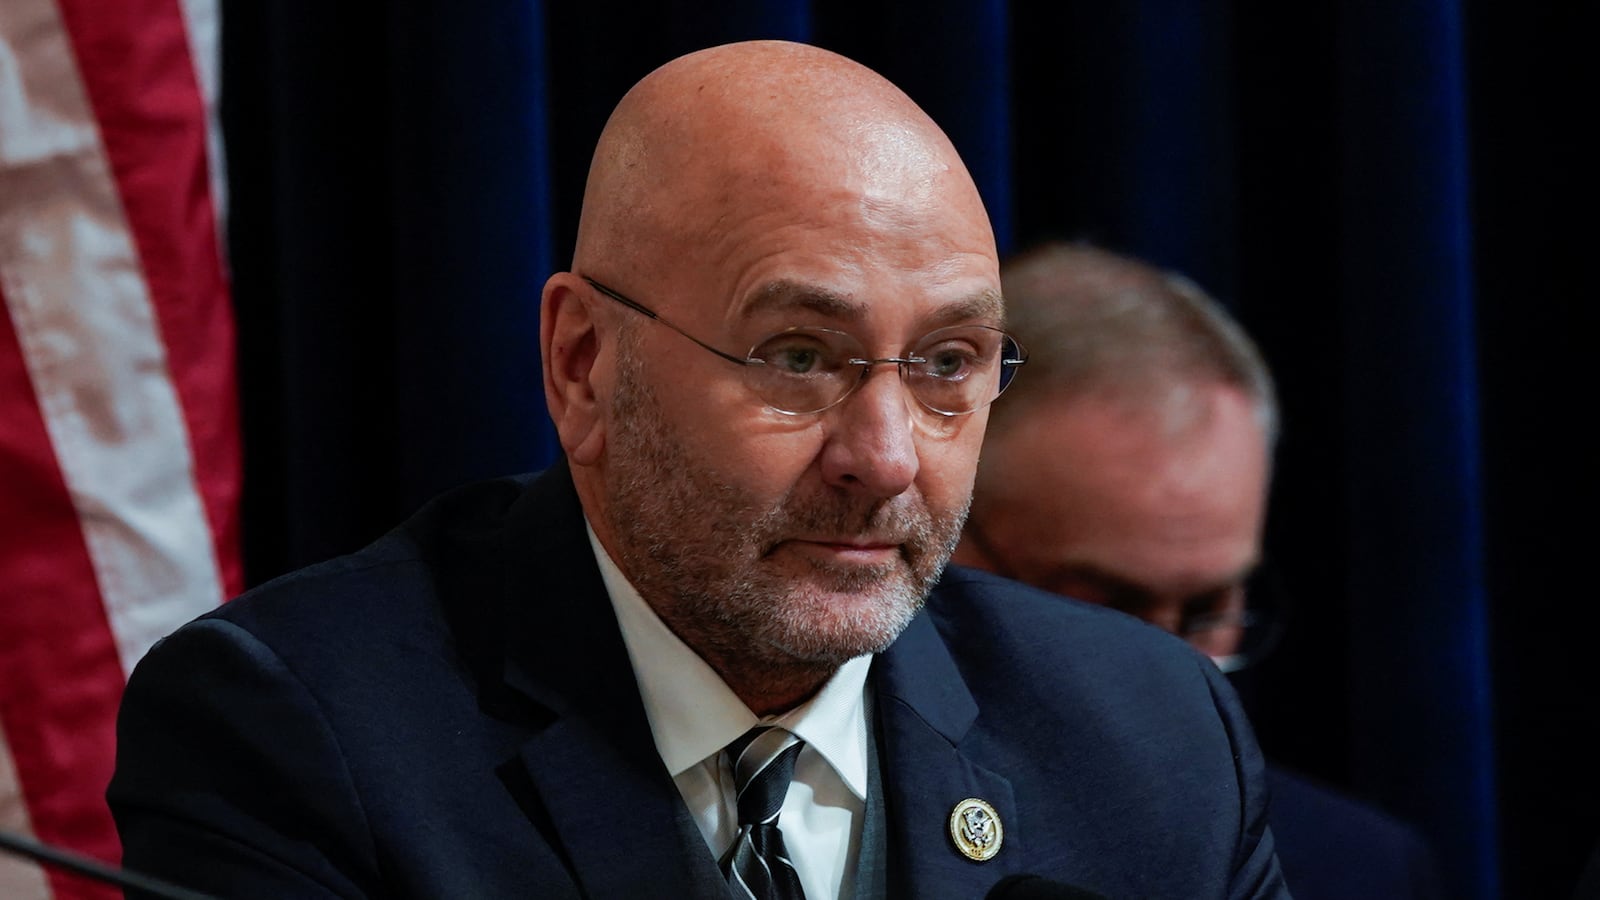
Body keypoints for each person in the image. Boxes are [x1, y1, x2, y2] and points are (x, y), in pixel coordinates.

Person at [108, 43, 1287, 899]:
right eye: (798, 356)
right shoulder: (300, 736)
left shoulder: (1153, 740)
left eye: (946, 364)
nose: (884, 457)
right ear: (583, 366)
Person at [953, 241, 1440, 900]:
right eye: (1106, 609)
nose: (1176, 673)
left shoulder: (1359, 871)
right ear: (945, 536)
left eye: (1210, 611)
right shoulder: (814, 827)